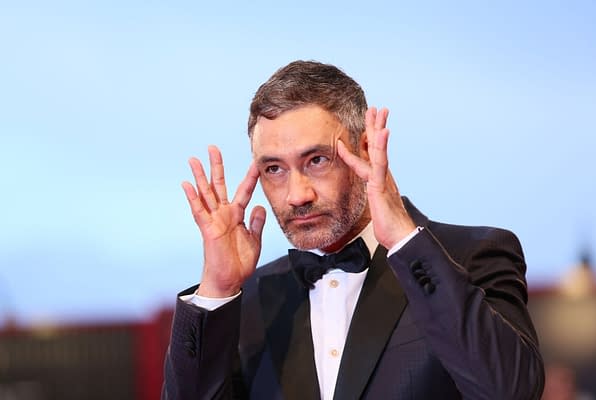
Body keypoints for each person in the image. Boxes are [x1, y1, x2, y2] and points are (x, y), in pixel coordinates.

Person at [162, 60, 545, 400]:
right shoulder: (250, 300)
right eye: (274, 169)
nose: (297, 195)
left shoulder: (470, 256)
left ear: (365, 149)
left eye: (316, 160)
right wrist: (216, 290)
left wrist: (407, 241)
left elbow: (510, 390)